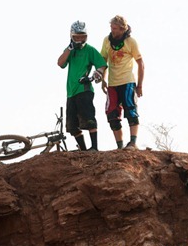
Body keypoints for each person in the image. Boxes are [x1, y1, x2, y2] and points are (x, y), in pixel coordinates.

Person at [57, 21, 107, 151]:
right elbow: (60, 63)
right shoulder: (70, 50)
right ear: (71, 36)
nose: (79, 39)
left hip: (84, 89)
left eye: (82, 36)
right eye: (76, 37)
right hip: (71, 91)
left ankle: (94, 147)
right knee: (72, 125)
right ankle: (84, 150)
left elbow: (101, 64)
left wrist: (97, 73)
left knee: (88, 118)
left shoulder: (90, 50)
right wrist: (70, 48)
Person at [100, 15, 144, 150]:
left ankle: (132, 142)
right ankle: (119, 146)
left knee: (130, 110)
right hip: (113, 83)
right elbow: (103, 61)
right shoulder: (107, 40)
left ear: (122, 29)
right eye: (111, 28)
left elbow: (140, 63)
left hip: (127, 81)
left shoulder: (130, 42)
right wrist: (103, 79)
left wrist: (140, 85)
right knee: (111, 113)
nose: (112, 30)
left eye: (115, 28)